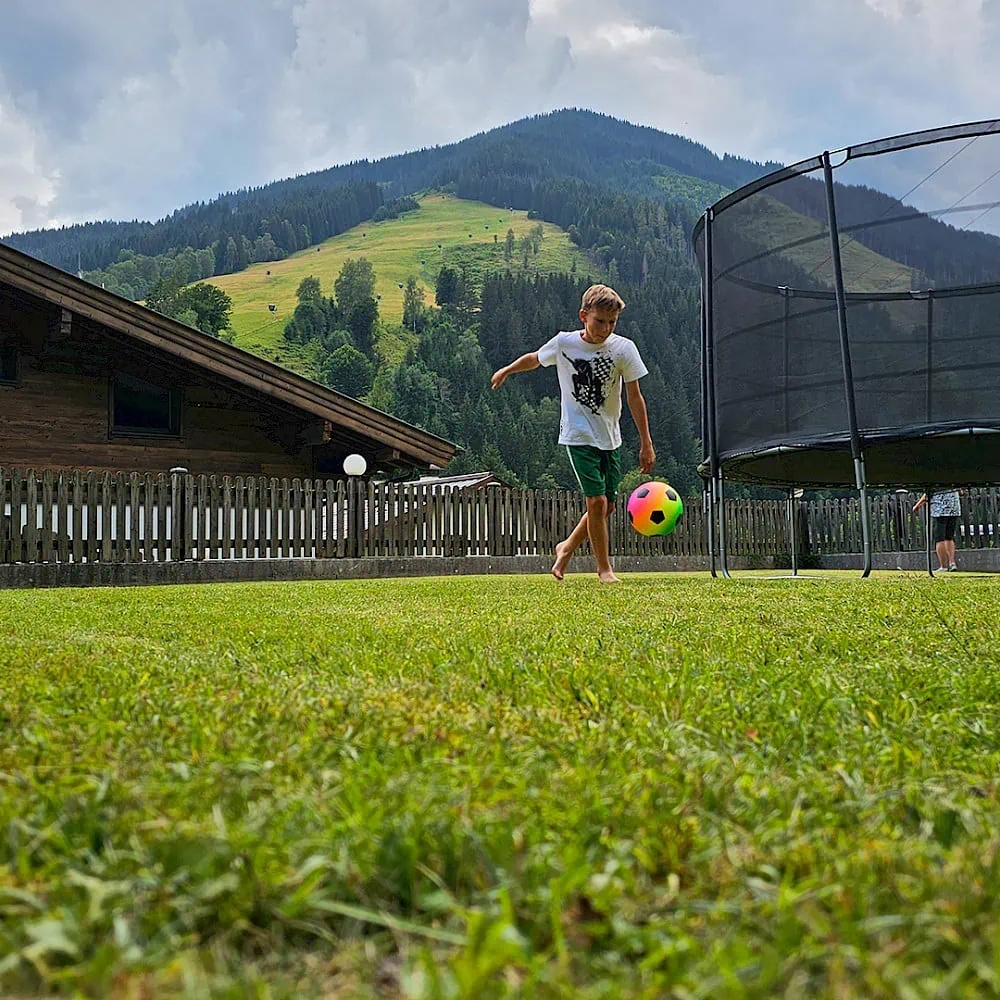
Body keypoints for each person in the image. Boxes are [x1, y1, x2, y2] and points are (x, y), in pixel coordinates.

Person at [491, 283, 655, 583]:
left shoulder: (623, 349)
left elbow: (634, 397)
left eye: (612, 323)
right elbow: (535, 358)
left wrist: (646, 442)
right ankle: (604, 569)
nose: (605, 328)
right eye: (600, 321)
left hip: (611, 438)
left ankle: (566, 547)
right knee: (596, 503)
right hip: (577, 436)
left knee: (607, 506)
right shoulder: (564, 343)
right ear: (583, 315)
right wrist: (507, 370)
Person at [913, 488, 961, 571]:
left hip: (940, 510)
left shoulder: (936, 479)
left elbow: (927, 495)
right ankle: (952, 563)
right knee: (949, 537)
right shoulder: (954, 477)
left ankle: (943, 566)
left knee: (939, 539)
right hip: (954, 509)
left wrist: (917, 505)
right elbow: (961, 491)